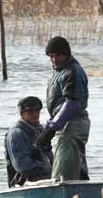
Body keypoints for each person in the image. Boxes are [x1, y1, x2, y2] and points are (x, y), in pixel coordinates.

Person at [36, 36, 90, 181]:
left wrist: (52, 128)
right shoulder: (58, 72)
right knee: (77, 170)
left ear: (66, 54)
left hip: (72, 125)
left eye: (58, 56)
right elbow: (58, 106)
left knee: (63, 174)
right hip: (65, 125)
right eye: (51, 56)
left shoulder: (72, 71)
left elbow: (72, 104)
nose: (54, 59)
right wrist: (47, 127)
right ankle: (85, 197)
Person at [4, 96, 53, 187]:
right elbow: (23, 166)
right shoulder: (16, 134)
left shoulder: (41, 130)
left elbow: (49, 154)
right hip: (22, 182)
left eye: (37, 111)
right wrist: (47, 168)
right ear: (22, 114)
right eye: (30, 112)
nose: (35, 114)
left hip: (43, 177)